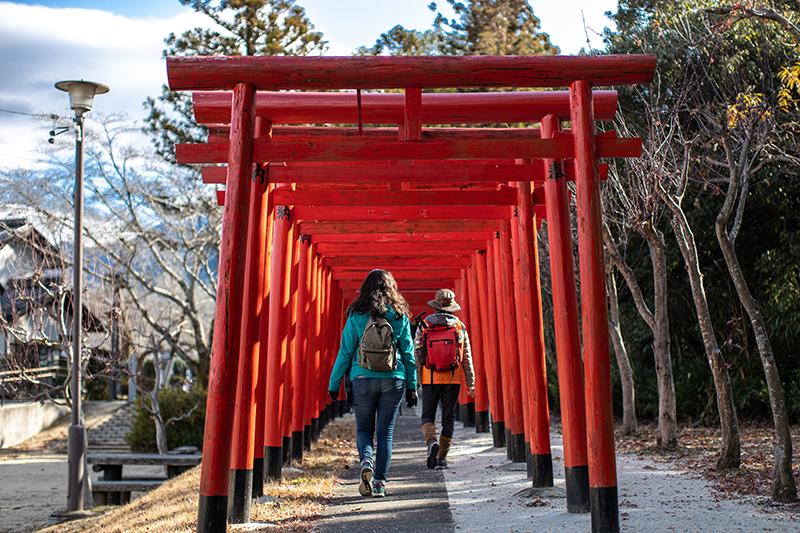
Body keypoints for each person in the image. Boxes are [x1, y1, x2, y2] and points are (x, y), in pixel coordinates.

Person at [328, 269, 417, 498]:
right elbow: (408, 352)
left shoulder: (357, 314)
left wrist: (334, 383)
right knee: (385, 433)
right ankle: (379, 483)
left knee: (364, 430)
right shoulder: (399, 315)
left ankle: (366, 460)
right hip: (393, 379)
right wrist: (412, 386)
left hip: (363, 378)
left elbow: (345, 352)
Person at [415, 288, 475, 470]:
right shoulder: (459, 327)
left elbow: (417, 353)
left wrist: (416, 378)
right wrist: (471, 382)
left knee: (428, 415)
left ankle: (431, 441)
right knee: (448, 417)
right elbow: (466, 357)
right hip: (453, 378)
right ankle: (441, 457)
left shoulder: (424, 325)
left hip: (429, 377)